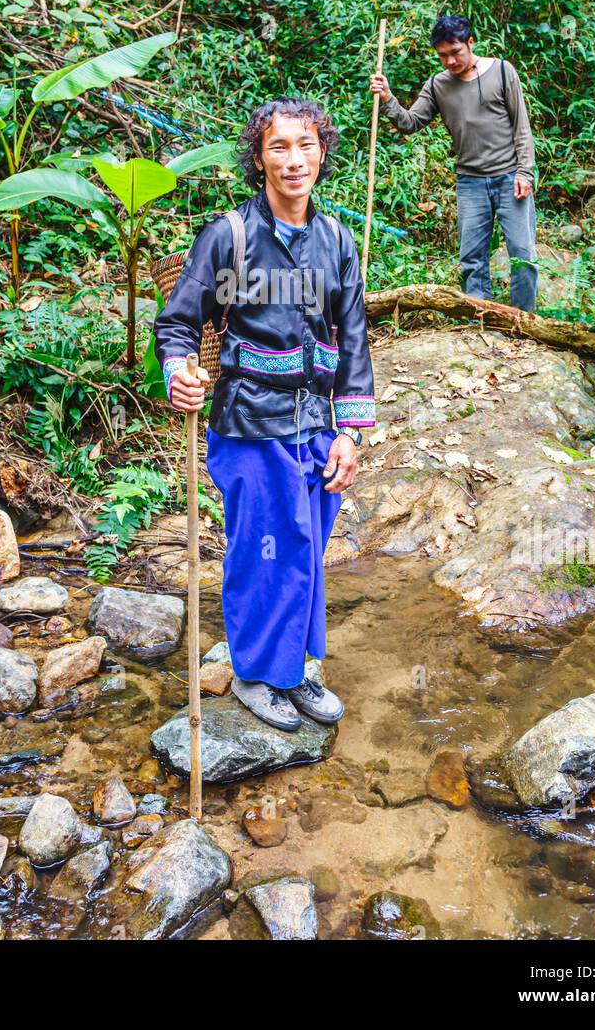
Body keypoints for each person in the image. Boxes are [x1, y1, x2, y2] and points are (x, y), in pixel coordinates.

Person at [153, 97, 375, 731]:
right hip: (250, 426)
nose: (293, 160)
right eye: (279, 147)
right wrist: (181, 372)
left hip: (317, 430)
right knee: (265, 551)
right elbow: (178, 321)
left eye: (305, 145)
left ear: (322, 153)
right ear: (259, 158)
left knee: (306, 550)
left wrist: (351, 433)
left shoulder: (335, 240)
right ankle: (255, 673)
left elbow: (354, 339)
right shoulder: (232, 237)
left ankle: (296, 669)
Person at [371, 14, 538, 311]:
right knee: (471, 258)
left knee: (523, 254)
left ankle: (524, 321)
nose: (449, 61)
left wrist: (525, 172)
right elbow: (411, 122)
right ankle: (480, 319)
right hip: (470, 181)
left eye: (455, 52)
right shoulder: (438, 85)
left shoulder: (501, 71)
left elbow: (521, 127)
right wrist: (388, 98)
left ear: (470, 43)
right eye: (442, 56)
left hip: (510, 176)